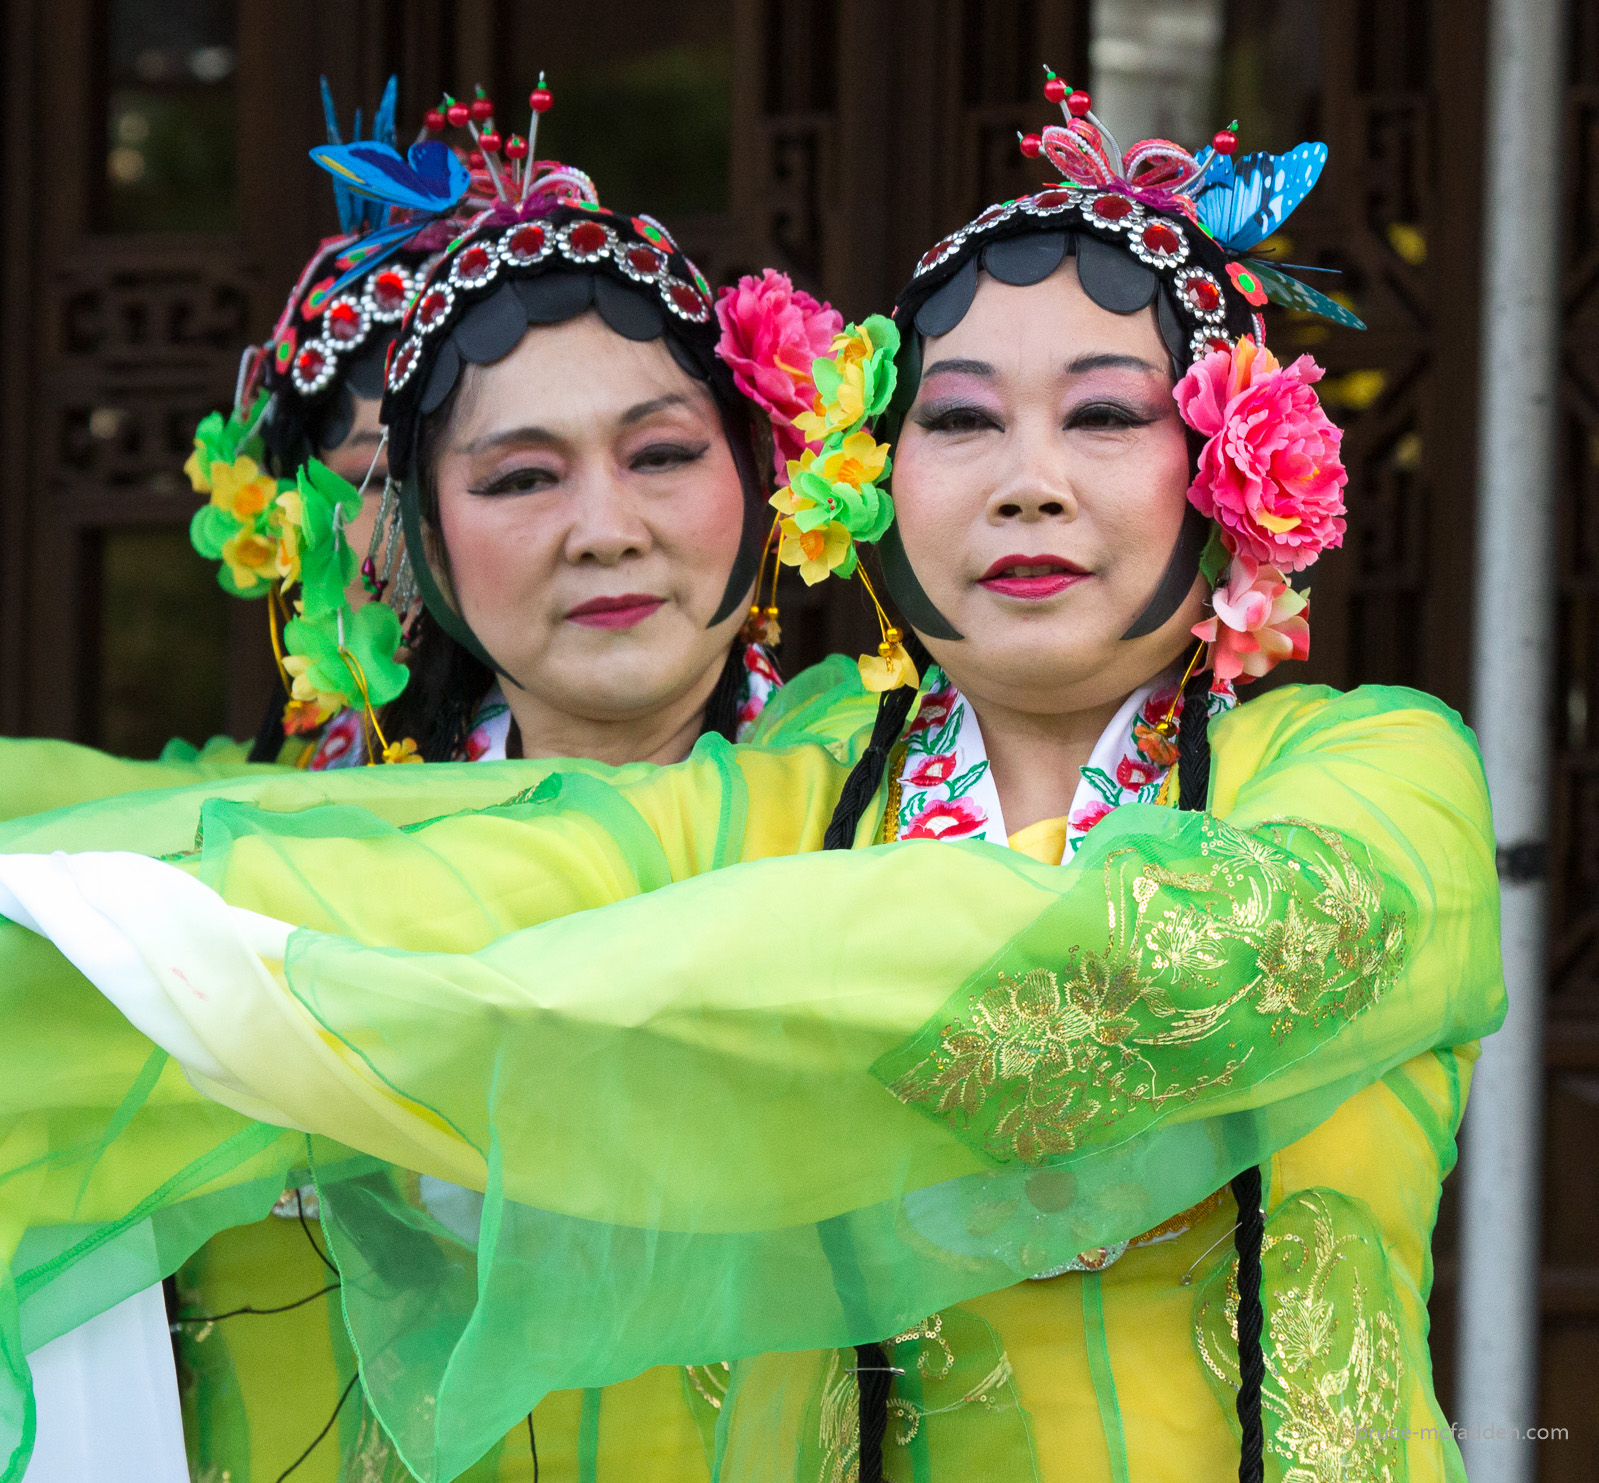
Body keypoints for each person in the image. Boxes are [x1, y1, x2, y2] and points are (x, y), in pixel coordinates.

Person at [0, 87, 1502, 1483]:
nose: (1026, 480)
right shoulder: (786, 800)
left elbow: (1225, 941)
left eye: (1106, 417)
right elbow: (452, 870)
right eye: (962, 420)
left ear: (1237, 467)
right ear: (874, 475)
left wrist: (566, 990)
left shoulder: (1374, 768)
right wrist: (114, 924)